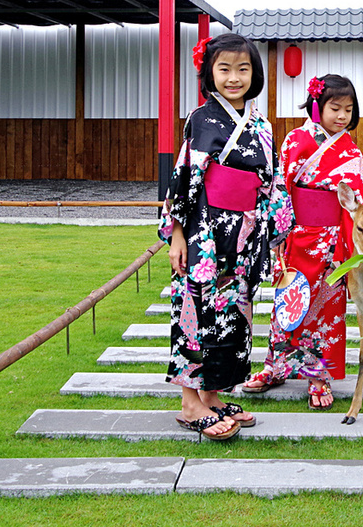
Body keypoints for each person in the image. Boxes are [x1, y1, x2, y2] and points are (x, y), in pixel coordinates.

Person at [242, 73, 363, 410]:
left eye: (348, 110)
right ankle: (276, 366)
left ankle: (318, 374)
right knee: (288, 304)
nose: (342, 116)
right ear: (317, 106)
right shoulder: (296, 140)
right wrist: (277, 233)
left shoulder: (349, 148)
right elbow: (279, 188)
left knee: (325, 310)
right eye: (335, 108)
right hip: (297, 234)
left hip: (335, 242)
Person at [159, 32, 292, 440]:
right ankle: (189, 402)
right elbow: (183, 178)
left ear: (255, 74)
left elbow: (272, 183)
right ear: (209, 73)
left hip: (246, 234)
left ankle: (213, 394)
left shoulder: (263, 127)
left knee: (234, 315)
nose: (234, 77)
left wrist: (276, 236)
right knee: (196, 312)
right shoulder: (200, 120)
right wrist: (178, 233)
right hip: (204, 232)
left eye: (243, 69)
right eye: (224, 69)